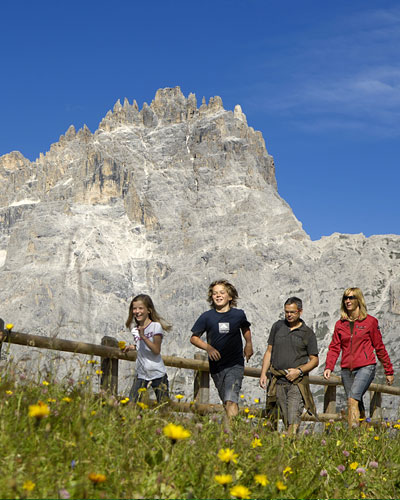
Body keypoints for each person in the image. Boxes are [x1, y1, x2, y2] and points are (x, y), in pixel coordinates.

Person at [323, 287, 394, 428]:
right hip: (346, 370)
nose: (348, 301)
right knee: (357, 401)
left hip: (366, 367)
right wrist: (329, 367)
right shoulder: (340, 324)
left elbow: (379, 347)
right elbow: (334, 347)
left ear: (359, 300)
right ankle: (363, 437)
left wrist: (389, 370)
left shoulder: (370, 322)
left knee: (352, 399)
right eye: (346, 298)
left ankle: (352, 436)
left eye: (351, 297)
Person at [190, 279, 253, 421]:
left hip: (235, 364)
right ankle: (234, 430)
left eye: (222, 293)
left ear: (230, 296)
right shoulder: (207, 316)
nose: (218, 295)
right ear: (211, 297)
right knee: (227, 401)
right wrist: (209, 348)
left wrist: (248, 344)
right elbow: (194, 338)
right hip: (217, 366)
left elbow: (245, 329)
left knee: (231, 399)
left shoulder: (238, 314)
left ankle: (232, 435)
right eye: (215, 293)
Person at [259, 297, 319, 435]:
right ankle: (291, 448)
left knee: (293, 417)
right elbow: (269, 351)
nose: (289, 315)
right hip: (278, 380)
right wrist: (263, 373)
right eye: (286, 312)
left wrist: (299, 371)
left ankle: (289, 440)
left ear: (300, 312)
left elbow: (314, 360)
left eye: (292, 312)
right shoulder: (277, 327)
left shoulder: (307, 333)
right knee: (286, 418)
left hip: (296, 382)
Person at [124, 294, 171, 403]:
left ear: (148, 310)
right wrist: (133, 347)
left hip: (157, 374)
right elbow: (141, 345)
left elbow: (156, 350)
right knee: (133, 405)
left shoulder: (156, 326)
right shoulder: (135, 330)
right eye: (134, 308)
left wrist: (143, 336)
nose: (137, 311)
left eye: (140, 308)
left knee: (163, 406)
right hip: (141, 374)